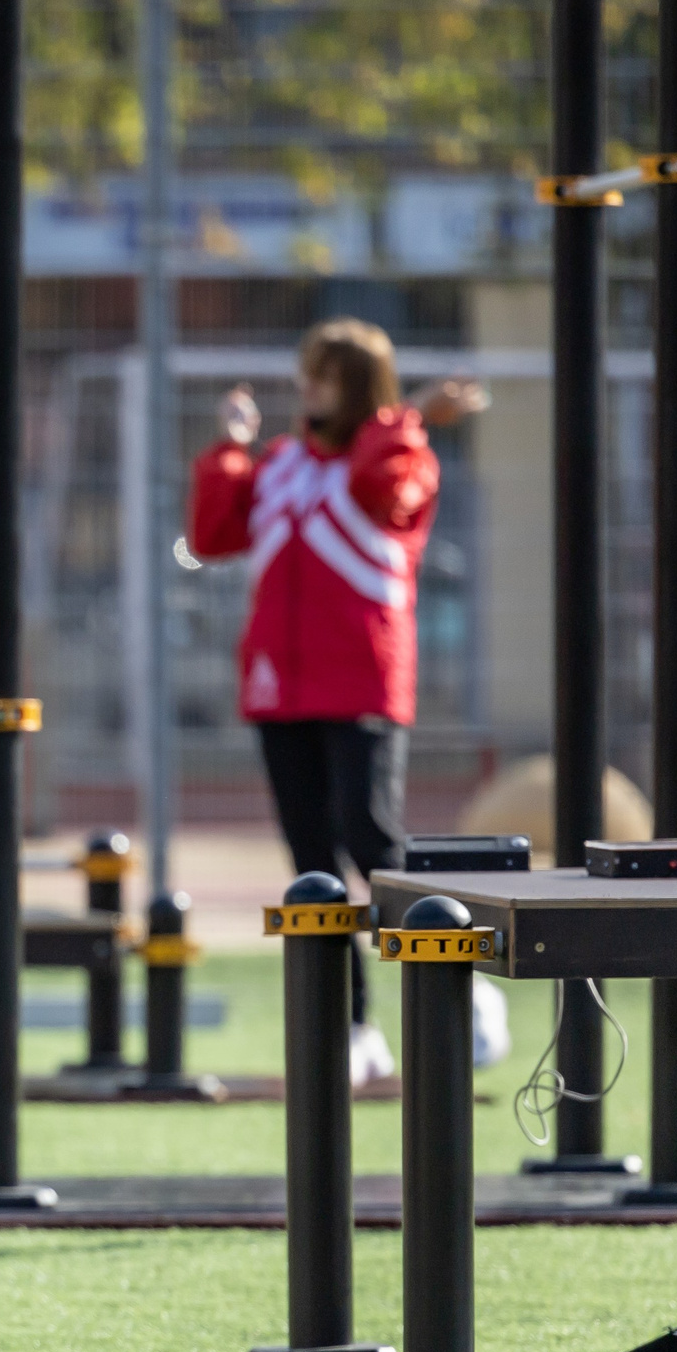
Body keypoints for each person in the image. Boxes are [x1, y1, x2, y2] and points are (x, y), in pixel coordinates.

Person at [187, 317, 489, 1082]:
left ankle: (464, 977)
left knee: (371, 835)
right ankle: (352, 1025)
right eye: (307, 372)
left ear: (357, 386)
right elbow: (217, 531)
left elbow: (377, 487)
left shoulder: (397, 449)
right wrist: (230, 446)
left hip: (361, 680)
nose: (306, 387)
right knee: (312, 867)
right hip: (280, 688)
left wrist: (406, 413)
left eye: (323, 375)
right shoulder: (283, 462)